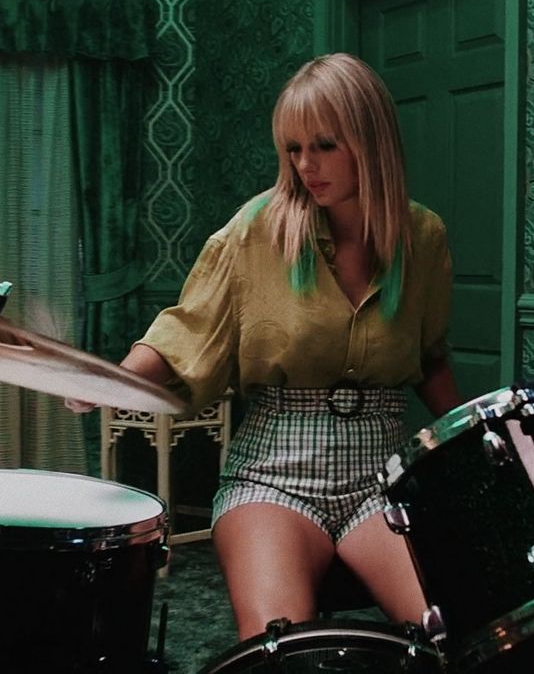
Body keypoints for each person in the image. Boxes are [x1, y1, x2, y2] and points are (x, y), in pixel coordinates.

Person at [67, 52, 462, 642]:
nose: (306, 165)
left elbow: (430, 356)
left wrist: (479, 438)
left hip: (383, 475)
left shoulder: (423, 237)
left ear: (371, 141)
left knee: (453, 631)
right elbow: (183, 331)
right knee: (280, 645)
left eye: (324, 145)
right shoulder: (257, 229)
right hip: (273, 475)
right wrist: (107, 381)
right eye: (292, 148)